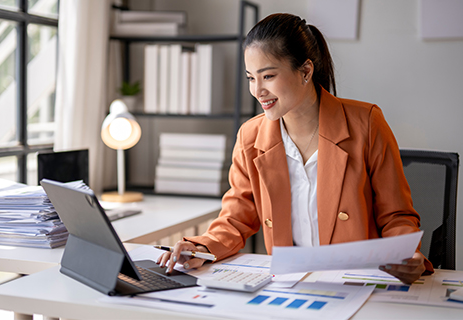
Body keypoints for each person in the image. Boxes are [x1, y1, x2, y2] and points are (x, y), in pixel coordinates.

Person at [157, 13, 434, 284]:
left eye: (268, 76)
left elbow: (396, 216)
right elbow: (235, 218)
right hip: (291, 286)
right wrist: (201, 248)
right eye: (251, 78)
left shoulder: (367, 124)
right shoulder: (250, 137)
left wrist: (407, 253)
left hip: (360, 282)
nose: (257, 90)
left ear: (305, 71)